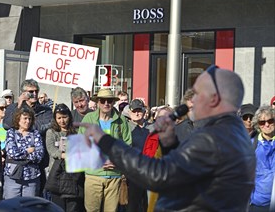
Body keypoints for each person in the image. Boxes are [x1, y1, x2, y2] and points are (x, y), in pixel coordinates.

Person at [77, 65, 256, 211]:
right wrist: (170, 143)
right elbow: (186, 175)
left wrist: (106, 141)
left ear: (214, 99)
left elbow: (158, 175)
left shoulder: (212, 138)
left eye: (196, 94)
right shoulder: (233, 132)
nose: (190, 102)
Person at [78, 88, 132, 212]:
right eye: (102, 101)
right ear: (97, 102)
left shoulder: (121, 120)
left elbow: (127, 146)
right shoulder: (89, 119)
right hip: (93, 175)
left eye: (109, 100)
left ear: (113, 102)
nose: (106, 103)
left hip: (114, 176)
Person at [3, 79, 53, 197]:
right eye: (31, 92)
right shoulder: (13, 108)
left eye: (36, 91)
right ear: (23, 93)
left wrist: (24, 126)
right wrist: (20, 104)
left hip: (36, 165)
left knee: (34, 202)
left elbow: (45, 127)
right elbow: (7, 125)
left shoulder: (45, 110)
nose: (34, 94)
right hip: (15, 167)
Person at [45, 103, 85, 211]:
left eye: (64, 117)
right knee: (58, 207)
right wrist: (63, 155)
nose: (62, 121)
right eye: (59, 118)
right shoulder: (51, 132)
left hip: (72, 176)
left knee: (73, 206)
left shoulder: (76, 132)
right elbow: (51, 149)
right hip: (57, 174)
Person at [3, 107, 44, 199]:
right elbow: (12, 152)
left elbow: (39, 155)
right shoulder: (11, 133)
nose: (28, 121)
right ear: (18, 119)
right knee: (11, 206)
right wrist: (28, 151)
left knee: (29, 207)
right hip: (13, 176)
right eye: (25, 118)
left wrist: (21, 153)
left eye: (29, 119)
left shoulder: (35, 134)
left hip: (31, 176)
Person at [127, 98, 152, 212]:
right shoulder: (125, 127)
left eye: (139, 111)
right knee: (133, 205)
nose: (137, 113)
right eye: (134, 111)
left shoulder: (152, 127)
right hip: (133, 172)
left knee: (148, 205)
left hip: (149, 171)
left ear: (144, 111)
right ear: (129, 112)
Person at [249, 105, 275, 212]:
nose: (267, 124)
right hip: (257, 204)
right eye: (262, 122)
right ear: (258, 125)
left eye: (270, 120)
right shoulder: (251, 145)